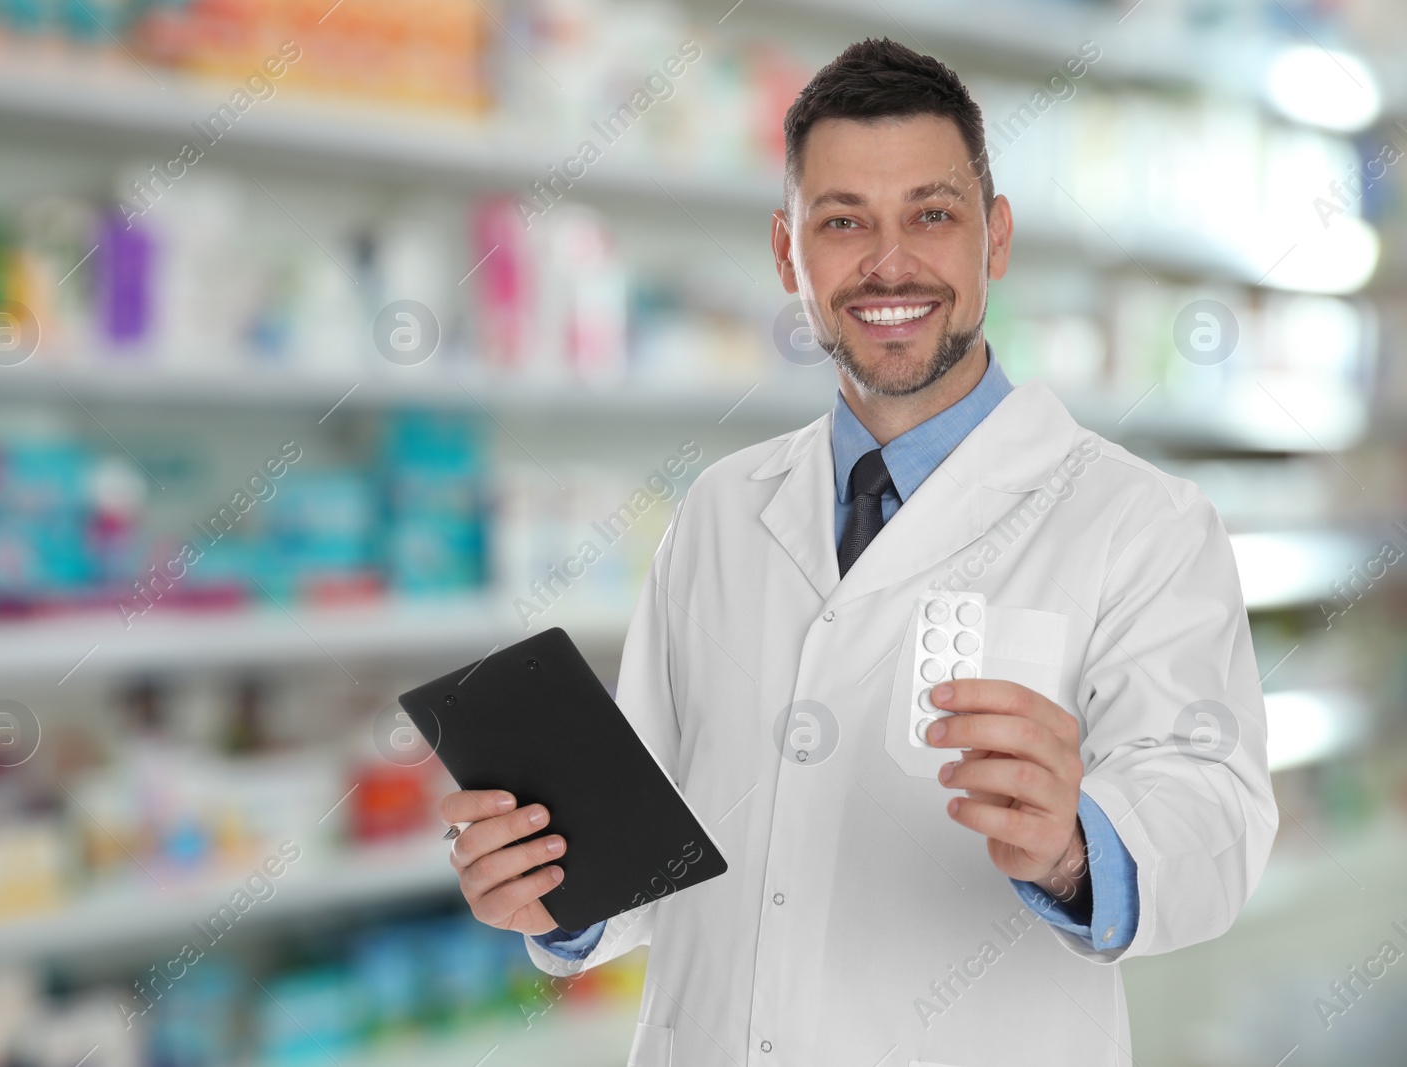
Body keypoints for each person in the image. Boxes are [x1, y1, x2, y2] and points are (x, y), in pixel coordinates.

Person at [439, 37, 1276, 1066]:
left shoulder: (1141, 522)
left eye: (932, 214)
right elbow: (646, 852)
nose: (889, 264)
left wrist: (1073, 846)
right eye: (843, 222)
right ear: (789, 254)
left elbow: (1216, 816)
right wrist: (550, 889)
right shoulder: (717, 510)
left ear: (993, 238)